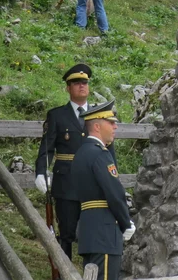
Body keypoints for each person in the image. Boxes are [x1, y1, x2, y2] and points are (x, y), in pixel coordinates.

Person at [35, 64, 117, 260]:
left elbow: (108, 148)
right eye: (76, 83)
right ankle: (65, 271)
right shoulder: (57, 115)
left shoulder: (99, 114)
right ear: (68, 88)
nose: (81, 86)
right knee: (66, 233)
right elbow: (46, 148)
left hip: (94, 183)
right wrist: (41, 171)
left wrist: (113, 177)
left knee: (94, 232)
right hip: (67, 184)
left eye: (84, 82)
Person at [74, 100, 135, 280]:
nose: (115, 126)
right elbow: (114, 193)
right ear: (98, 126)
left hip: (89, 230)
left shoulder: (81, 153)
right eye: (111, 122)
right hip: (105, 232)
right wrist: (126, 222)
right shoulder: (99, 154)